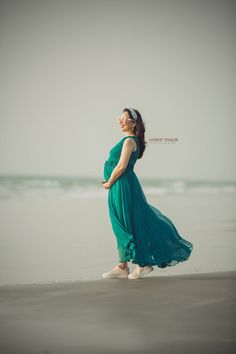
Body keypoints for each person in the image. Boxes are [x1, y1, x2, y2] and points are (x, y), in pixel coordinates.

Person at [102, 108, 193, 280]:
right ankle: (123, 265)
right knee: (121, 224)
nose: (120, 121)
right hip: (119, 186)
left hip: (121, 186)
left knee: (125, 224)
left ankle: (142, 264)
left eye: (124, 118)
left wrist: (109, 182)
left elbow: (121, 166)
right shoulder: (128, 140)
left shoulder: (129, 141)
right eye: (119, 118)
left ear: (134, 123)